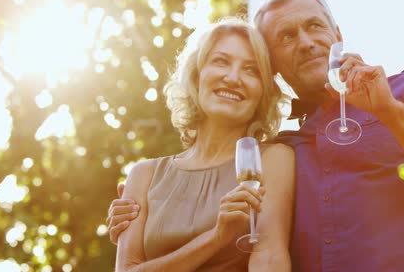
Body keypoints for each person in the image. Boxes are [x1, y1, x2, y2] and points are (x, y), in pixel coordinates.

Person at [109, 0, 404, 272]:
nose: (305, 43)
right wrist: (140, 212)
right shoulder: (284, 150)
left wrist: (391, 113)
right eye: (286, 37)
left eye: (314, 27)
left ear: (337, 35)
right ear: (273, 67)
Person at [113, 17, 295, 272]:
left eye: (251, 70)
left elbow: (269, 257)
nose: (233, 78)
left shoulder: (273, 160)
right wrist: (217, 237)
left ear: (263, 92)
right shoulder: (143, 175)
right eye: (221, 61)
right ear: (197, 77)